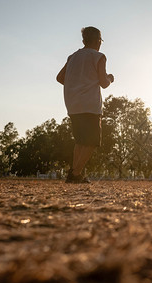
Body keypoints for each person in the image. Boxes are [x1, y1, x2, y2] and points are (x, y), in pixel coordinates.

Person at [56, 26, 114, 183]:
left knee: (80, 141)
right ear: (98, 41)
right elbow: (103, 83)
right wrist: (110, 78)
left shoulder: (72, 57)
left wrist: (76, 83)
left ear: (83, 40)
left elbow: (60, 77)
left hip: (72, 103)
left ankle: (75, 174)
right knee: (92, 142)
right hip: (89, 104)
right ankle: (75, 173)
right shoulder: (99, 56)